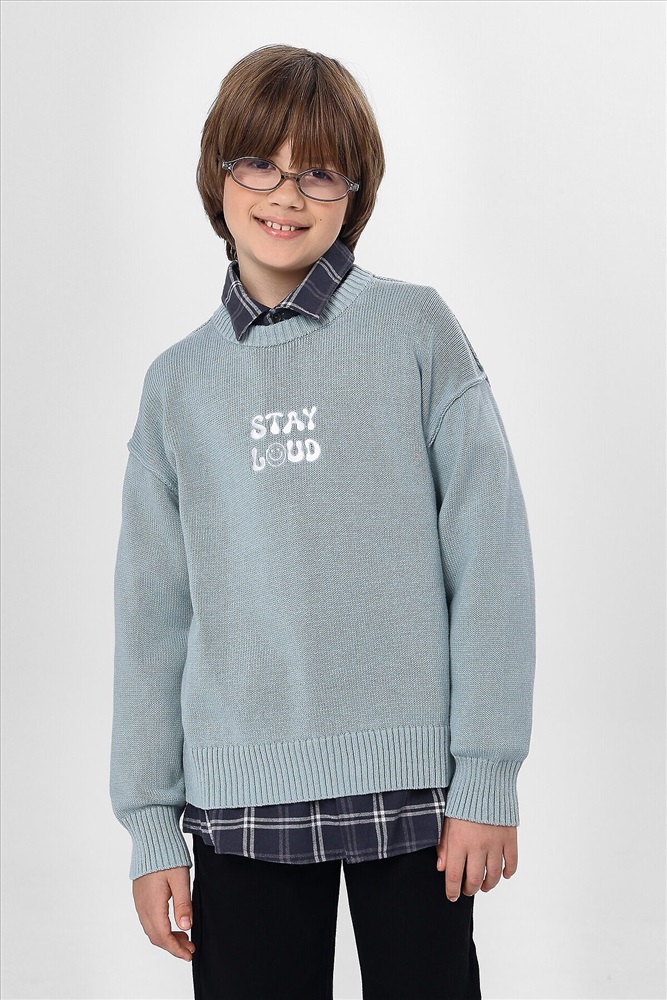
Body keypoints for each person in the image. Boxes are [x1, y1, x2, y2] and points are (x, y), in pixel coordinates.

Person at [109, 43, 536, 1000]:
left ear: (355, 190)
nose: (285, 194)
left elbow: (491, 561)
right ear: (217, 174)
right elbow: (150, 617)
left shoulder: (417, 332)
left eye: (318, 172)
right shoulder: (177, 386)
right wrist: (149, 826)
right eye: (259, 163)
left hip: (417, 788)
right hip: (239, 796)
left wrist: (487, 774)